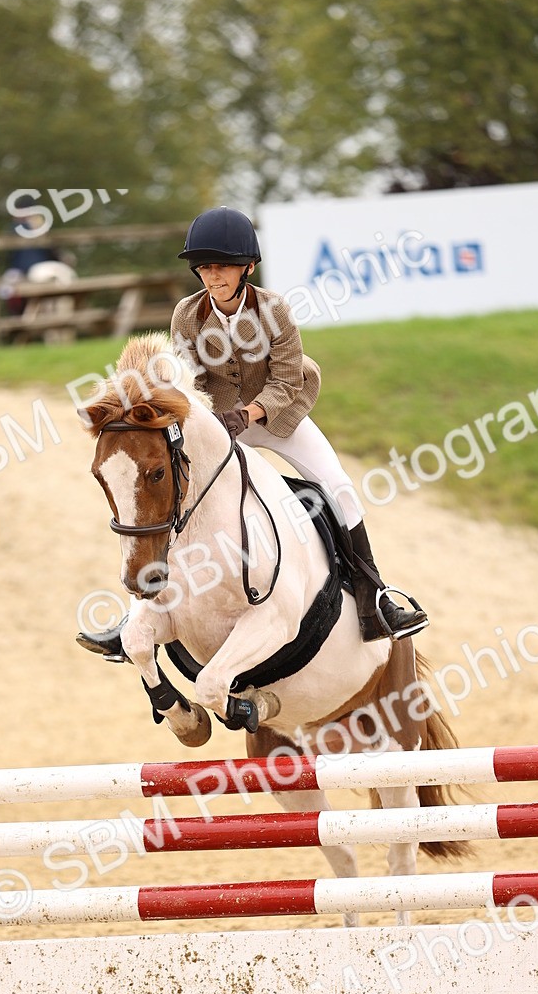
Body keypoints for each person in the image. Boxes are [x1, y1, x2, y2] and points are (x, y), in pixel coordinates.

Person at [79, 206, 428, 659]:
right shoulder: (187, 315)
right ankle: (136, 619)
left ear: (247, 267)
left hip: (279, 417)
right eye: (205, 267)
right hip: (222, 424)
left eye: (222, 266)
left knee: (339, 485)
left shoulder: (274, 310)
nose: (212, 275)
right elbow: (190, 380)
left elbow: (286, 378)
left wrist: (250, 413)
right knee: (171, 495)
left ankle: (373, 597)